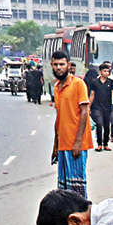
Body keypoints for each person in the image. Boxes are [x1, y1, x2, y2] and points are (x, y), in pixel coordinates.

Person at [48, 50, 92, 197]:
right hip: (63, 144)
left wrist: (78, 142)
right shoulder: (56, 87)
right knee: (64, 190)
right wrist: (55, 146)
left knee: (77, 189)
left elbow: (85, 112)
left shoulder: (78, 84)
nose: (58, 68)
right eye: (55, 64)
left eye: (62, 64)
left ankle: (82, 211)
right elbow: (59, 118)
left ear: (68, 65)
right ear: (51, 65)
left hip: (76, 144)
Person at [88, 62, 113, 151]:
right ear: (100, 72)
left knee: (106, 126)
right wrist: (88, 106)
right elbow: (92, 95)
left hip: (107, 107)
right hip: (97, 107)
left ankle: (105, 144)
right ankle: (99, 144)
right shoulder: (95, 82)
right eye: (104, 71)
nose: (106, 73)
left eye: (108, 71)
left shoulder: (111, 82)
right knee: (99, 123)